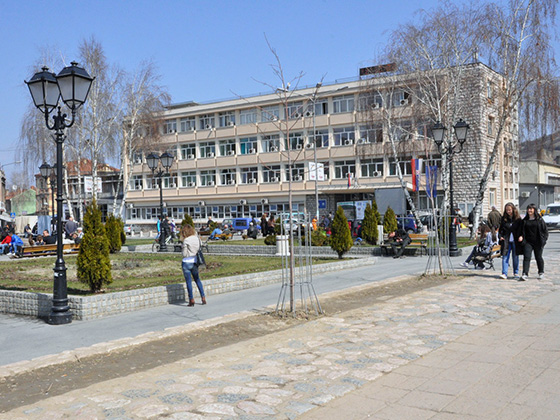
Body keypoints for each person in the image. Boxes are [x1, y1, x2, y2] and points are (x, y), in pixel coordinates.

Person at [518, 203, 548, 281]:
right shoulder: (525, 220)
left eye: (531, 209)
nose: (529, 210)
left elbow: (545, 231)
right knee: (527, 257)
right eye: (528, 209)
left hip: (538, 241)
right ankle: (525, 273)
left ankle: (541, 272)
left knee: (538, 257)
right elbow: (521, 230)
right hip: (528, 242)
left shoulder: (539, 220)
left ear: (534, 210)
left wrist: (544, 240)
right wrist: (521, 236)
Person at [180, 224, 206, 306]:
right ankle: (203, 297)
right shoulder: (197, 238)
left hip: (187, 262)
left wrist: (182, 248)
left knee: (189, 282)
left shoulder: (186, 240)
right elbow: (200, 247)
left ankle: (191, 299)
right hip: (195, 261)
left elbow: (184, 254)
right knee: (197, 279)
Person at [499, 202, 522, 279]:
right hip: (506, 240)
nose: (508, 211)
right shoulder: (504, 219)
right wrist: (500, 236)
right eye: (507, 210)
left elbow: (521, 229)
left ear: (513, 209)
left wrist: (521, 236)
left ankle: (516, 273)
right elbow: (500, 230)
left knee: (515, 257)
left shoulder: (518, 219)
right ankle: (504, 273)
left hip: (515, 240)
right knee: (505, 256)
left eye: (509, 210)